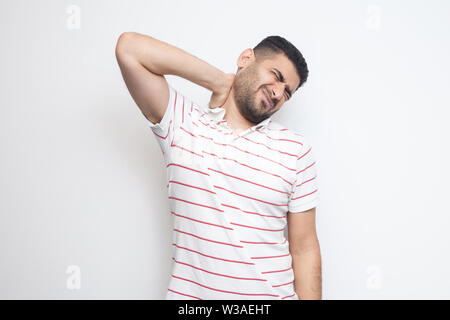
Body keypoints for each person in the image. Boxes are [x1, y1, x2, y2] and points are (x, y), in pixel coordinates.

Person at [115, 32, 321, 300]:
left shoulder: (295, 150)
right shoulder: (182, 124)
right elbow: (129, 49)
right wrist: (220, 81)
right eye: (276, 76)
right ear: (246, 58)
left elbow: (305, 248)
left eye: (287, 92)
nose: (278, 92)